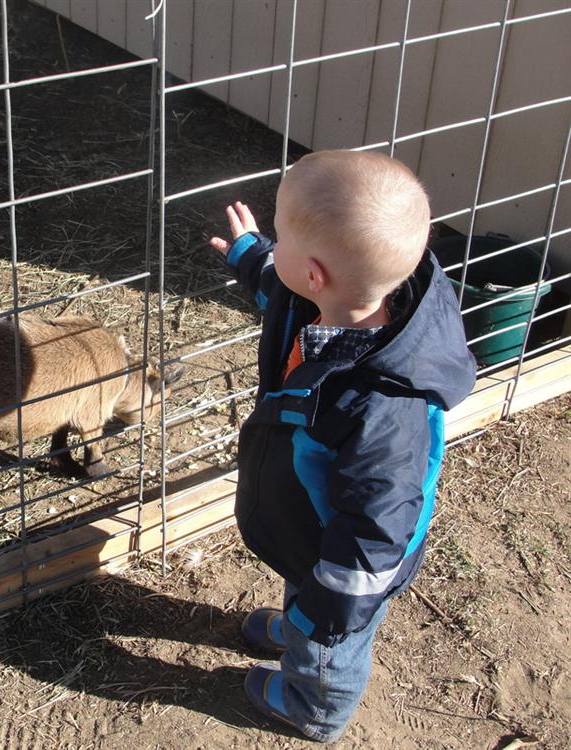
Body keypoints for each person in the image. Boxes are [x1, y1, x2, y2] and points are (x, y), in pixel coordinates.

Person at [208, 149, 476, 742]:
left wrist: (330, 609)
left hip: (349, 566)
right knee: (306, 576)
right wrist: (254, 258)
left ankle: (315, 705)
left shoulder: (384, 412)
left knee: (330, 639)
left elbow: (375, 533)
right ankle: (300, 615)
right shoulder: (337, 300)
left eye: (278, 238)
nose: (270, 245)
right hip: (312, 524)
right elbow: (279, 295)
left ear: (315, 274)